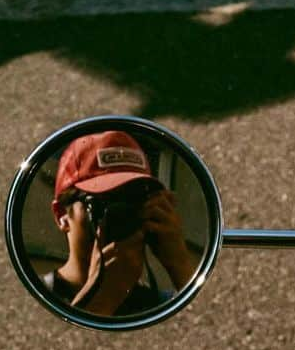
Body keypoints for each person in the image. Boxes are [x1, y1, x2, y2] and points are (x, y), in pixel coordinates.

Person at [43, 131, 197, 317]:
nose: (123, 213)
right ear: (61, 215)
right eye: (104, 202)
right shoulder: (38, 299)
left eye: (135, 200)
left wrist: (179, 264)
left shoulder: (161, 303)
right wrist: (102, 297)